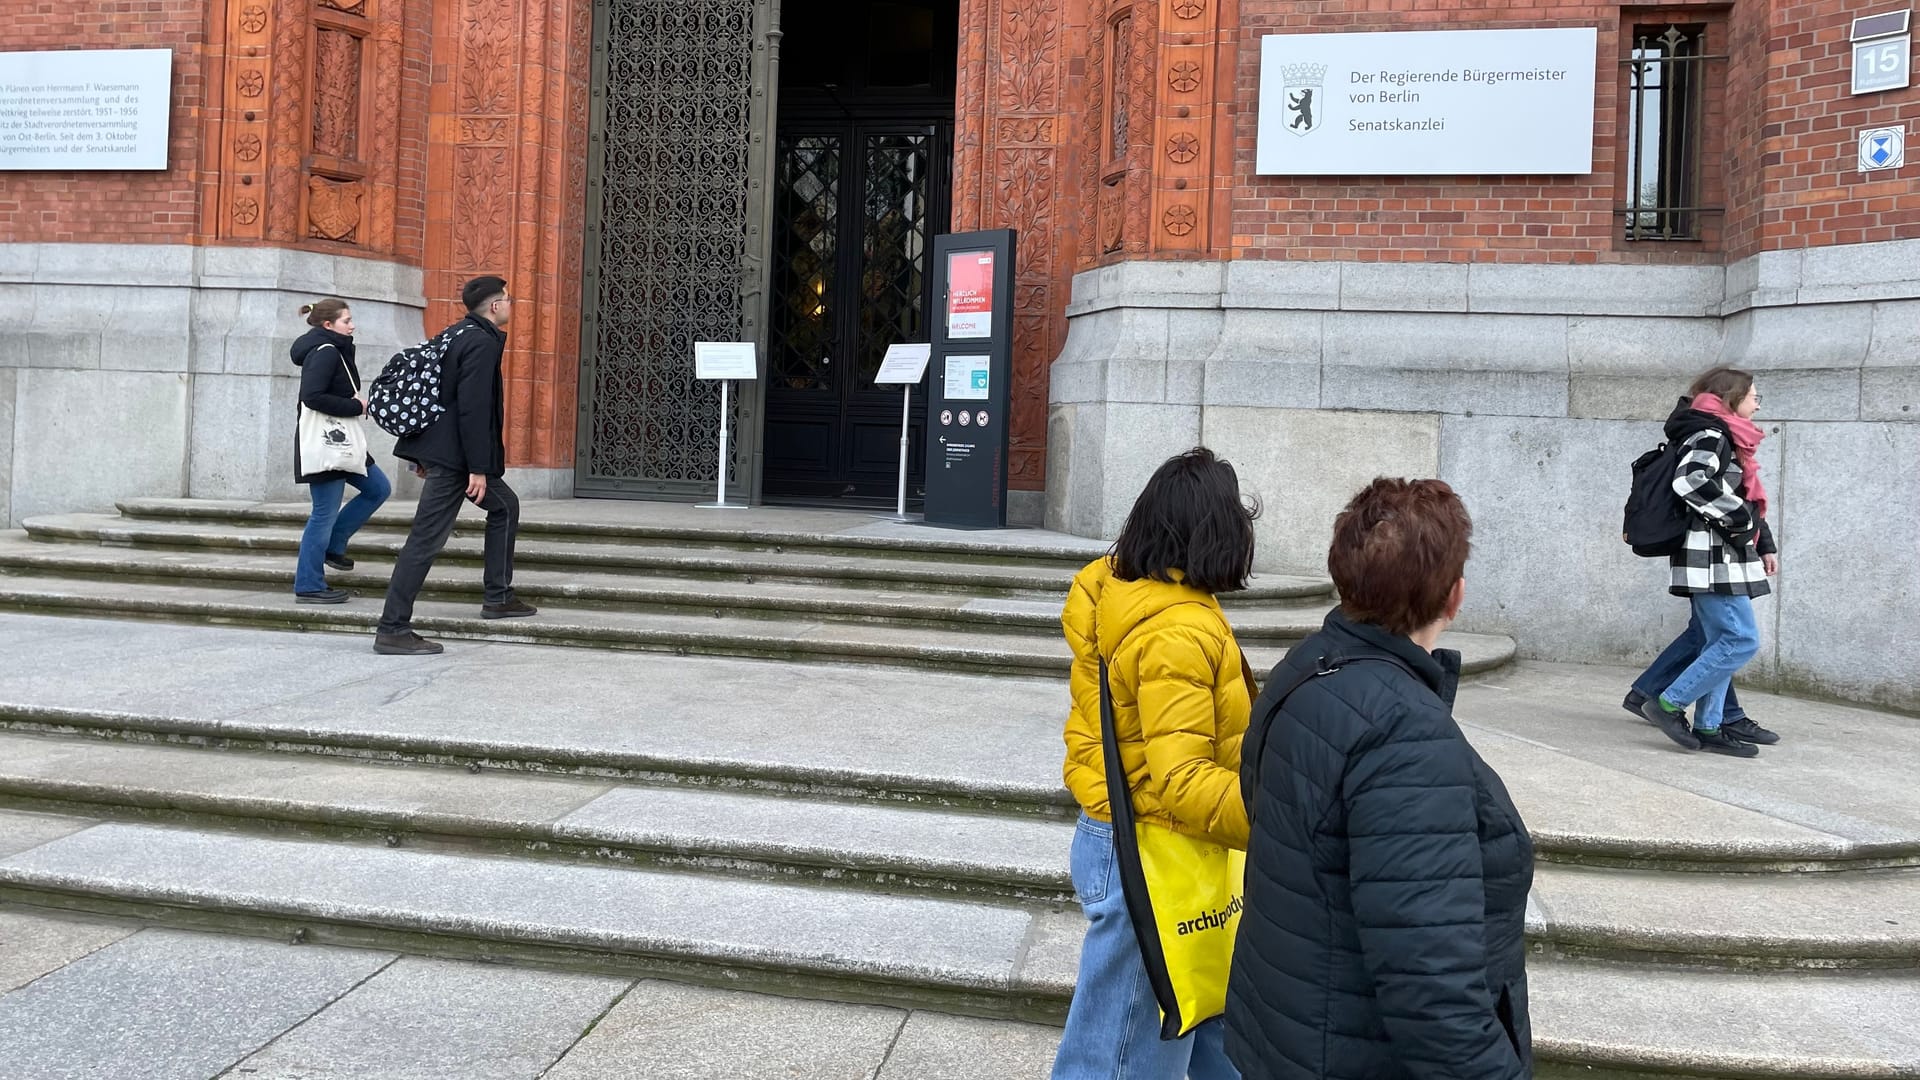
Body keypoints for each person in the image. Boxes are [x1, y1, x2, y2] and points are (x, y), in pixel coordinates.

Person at [1226, 478, 1533, 1080]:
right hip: (1348, 1049)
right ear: (1454, 596)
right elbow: (1431, 980)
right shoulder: (1402, 733)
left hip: (1288, 1031)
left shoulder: (1308, 666)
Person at [1052, 447, 1256, 1080]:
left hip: (1119, 835)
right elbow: (1183, 779)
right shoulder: (1176, 632)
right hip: (1153, 857)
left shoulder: (1120, 591)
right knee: (1115, 1063)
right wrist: (1283, 817)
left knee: (1198, 1034)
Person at [373, 275, 535, 655]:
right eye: (508, 299)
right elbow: (472, 409)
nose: (512, 305)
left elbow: (435, 395)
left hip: (445, 453)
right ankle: (392, 628)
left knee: (505, 506)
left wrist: (422, 454)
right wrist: (478, 468)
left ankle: (498, 596)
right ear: (495, 306)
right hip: (456, 460)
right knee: (425, 540)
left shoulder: (457, 333)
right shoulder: (480, 341)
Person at [1630, 367, 1777, 756]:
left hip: (1724, 555)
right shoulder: (1711, 434)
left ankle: (1710, 725)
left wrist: (1764, 543)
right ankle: (1668, 703)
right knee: (1740, 639)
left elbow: (1743, 493)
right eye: (1753, 396)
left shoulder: (1727, 435)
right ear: (1733, 398)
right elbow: (1691, 481)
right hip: (1712, 557)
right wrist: (1742, 521)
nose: (1757, 404)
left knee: (1719, 641)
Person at [290, 298, 391, 604]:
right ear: (328, 325)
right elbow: (312, 396)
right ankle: (308, 584)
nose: (353, 325)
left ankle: (334, 544)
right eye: (347, 321)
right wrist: (356, 406)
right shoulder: (326, 352)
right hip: (327, 442)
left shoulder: (335, 349)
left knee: (378, 488)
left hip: (342, 441)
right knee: (323, 512)